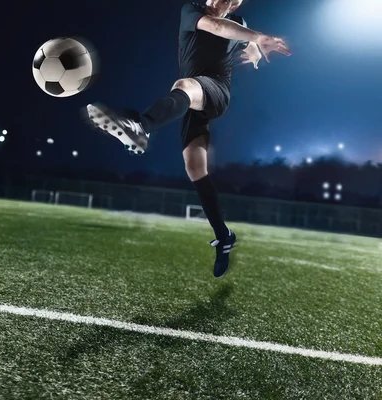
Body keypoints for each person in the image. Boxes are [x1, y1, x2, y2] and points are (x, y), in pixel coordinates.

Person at [86, 0, 291, 277]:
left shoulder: (238, 24)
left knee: (183, 85)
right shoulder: (192, 11)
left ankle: (141, 126)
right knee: (195, 168)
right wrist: (256, 39)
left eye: (231, 1)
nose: (222, 2)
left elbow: (238, 34)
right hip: (191, 100)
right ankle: (224, 235)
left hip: (214, 91)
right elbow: (218, 27)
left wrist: (254, 48)